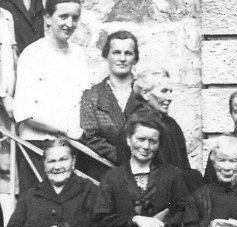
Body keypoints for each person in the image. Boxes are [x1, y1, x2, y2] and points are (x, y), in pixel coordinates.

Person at [13, 0, 90, 190]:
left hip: (73, 148)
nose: (69, 24)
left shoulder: (80, 56)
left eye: (75, 17)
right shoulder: (32, 55)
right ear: (48, 17)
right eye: (63, 16)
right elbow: (24, 112)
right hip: (36, 148)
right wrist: (63, 129)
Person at [127, 67, 202, 190]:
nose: (170, 97)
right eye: (164, 91)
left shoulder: (172, 125)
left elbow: (184, 166)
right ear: (145, 94)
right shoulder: (132, 128)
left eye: (170, 91)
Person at [80, 31, 139, 172]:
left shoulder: (146, 93)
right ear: (106, 56)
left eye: (128, 53)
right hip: (105, 172)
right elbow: (91, 137)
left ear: (135, 59)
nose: (122, 58)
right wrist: (123, 157)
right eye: (116, 52)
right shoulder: (92, 96)